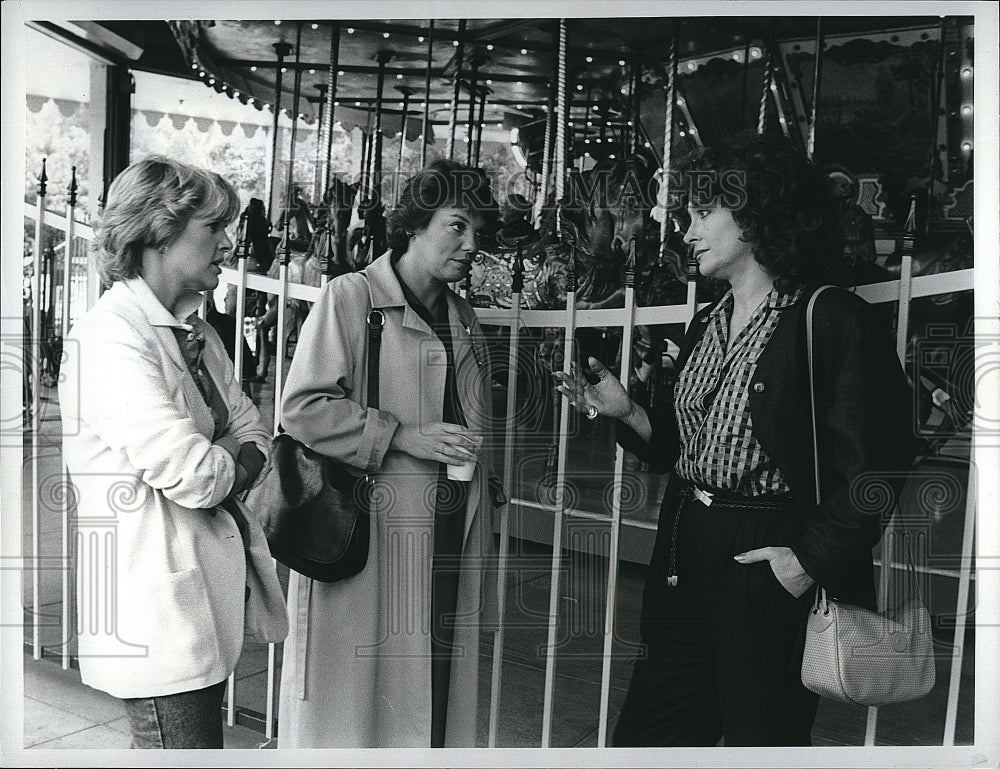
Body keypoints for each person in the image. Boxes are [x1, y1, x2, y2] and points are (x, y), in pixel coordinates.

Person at [554, 133, 918, 746]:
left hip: (767, 552)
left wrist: (804, 564)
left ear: (754, 218)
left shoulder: (830, 319)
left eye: (702, 215)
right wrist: (627, 412)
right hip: (685, 545)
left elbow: (880, 466)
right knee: (652, 736)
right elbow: (682, 446)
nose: (686, 232)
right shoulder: (709, 319)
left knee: (762, 737)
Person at [59, 156, 287, 749]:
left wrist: (233, 452)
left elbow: (254, 430)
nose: (230, 244)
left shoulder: (198, 332)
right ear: (160, 233)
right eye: (213, 229)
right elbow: (199, 477)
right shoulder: (110, 338)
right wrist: (232, 456)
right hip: (154, 614)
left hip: (196, 608)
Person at [277, 159, 504, 748]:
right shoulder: (350, 299)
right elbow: (301, 408)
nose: (470, 245)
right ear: (415, 224)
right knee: (357, 700)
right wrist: (401, 434)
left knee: (434, 687)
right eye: (457, 226)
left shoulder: (464, 316)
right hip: (373, 532)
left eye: (477, 232)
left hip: (449, 531)